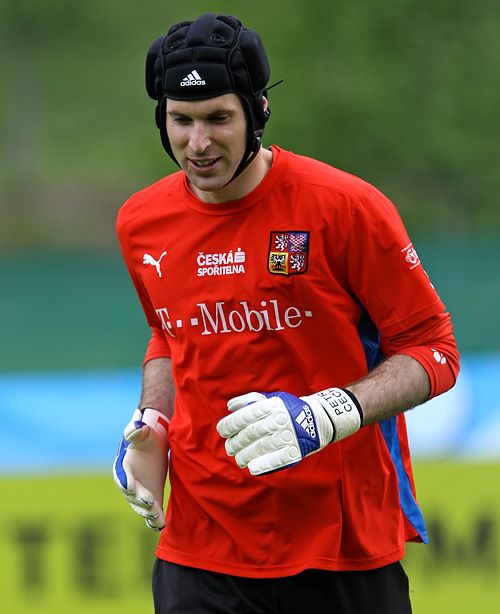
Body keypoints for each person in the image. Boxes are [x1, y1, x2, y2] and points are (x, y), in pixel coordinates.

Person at [113, 12, 459, 614]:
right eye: (181, 120)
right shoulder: (140, 222)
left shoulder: (345, 207)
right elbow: (169, 336)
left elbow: (435, 350)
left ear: (257, 112)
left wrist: (329, 413)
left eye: (218, 118)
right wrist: (153, 421)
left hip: (340, 551)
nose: (198, 143)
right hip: (198, 553)